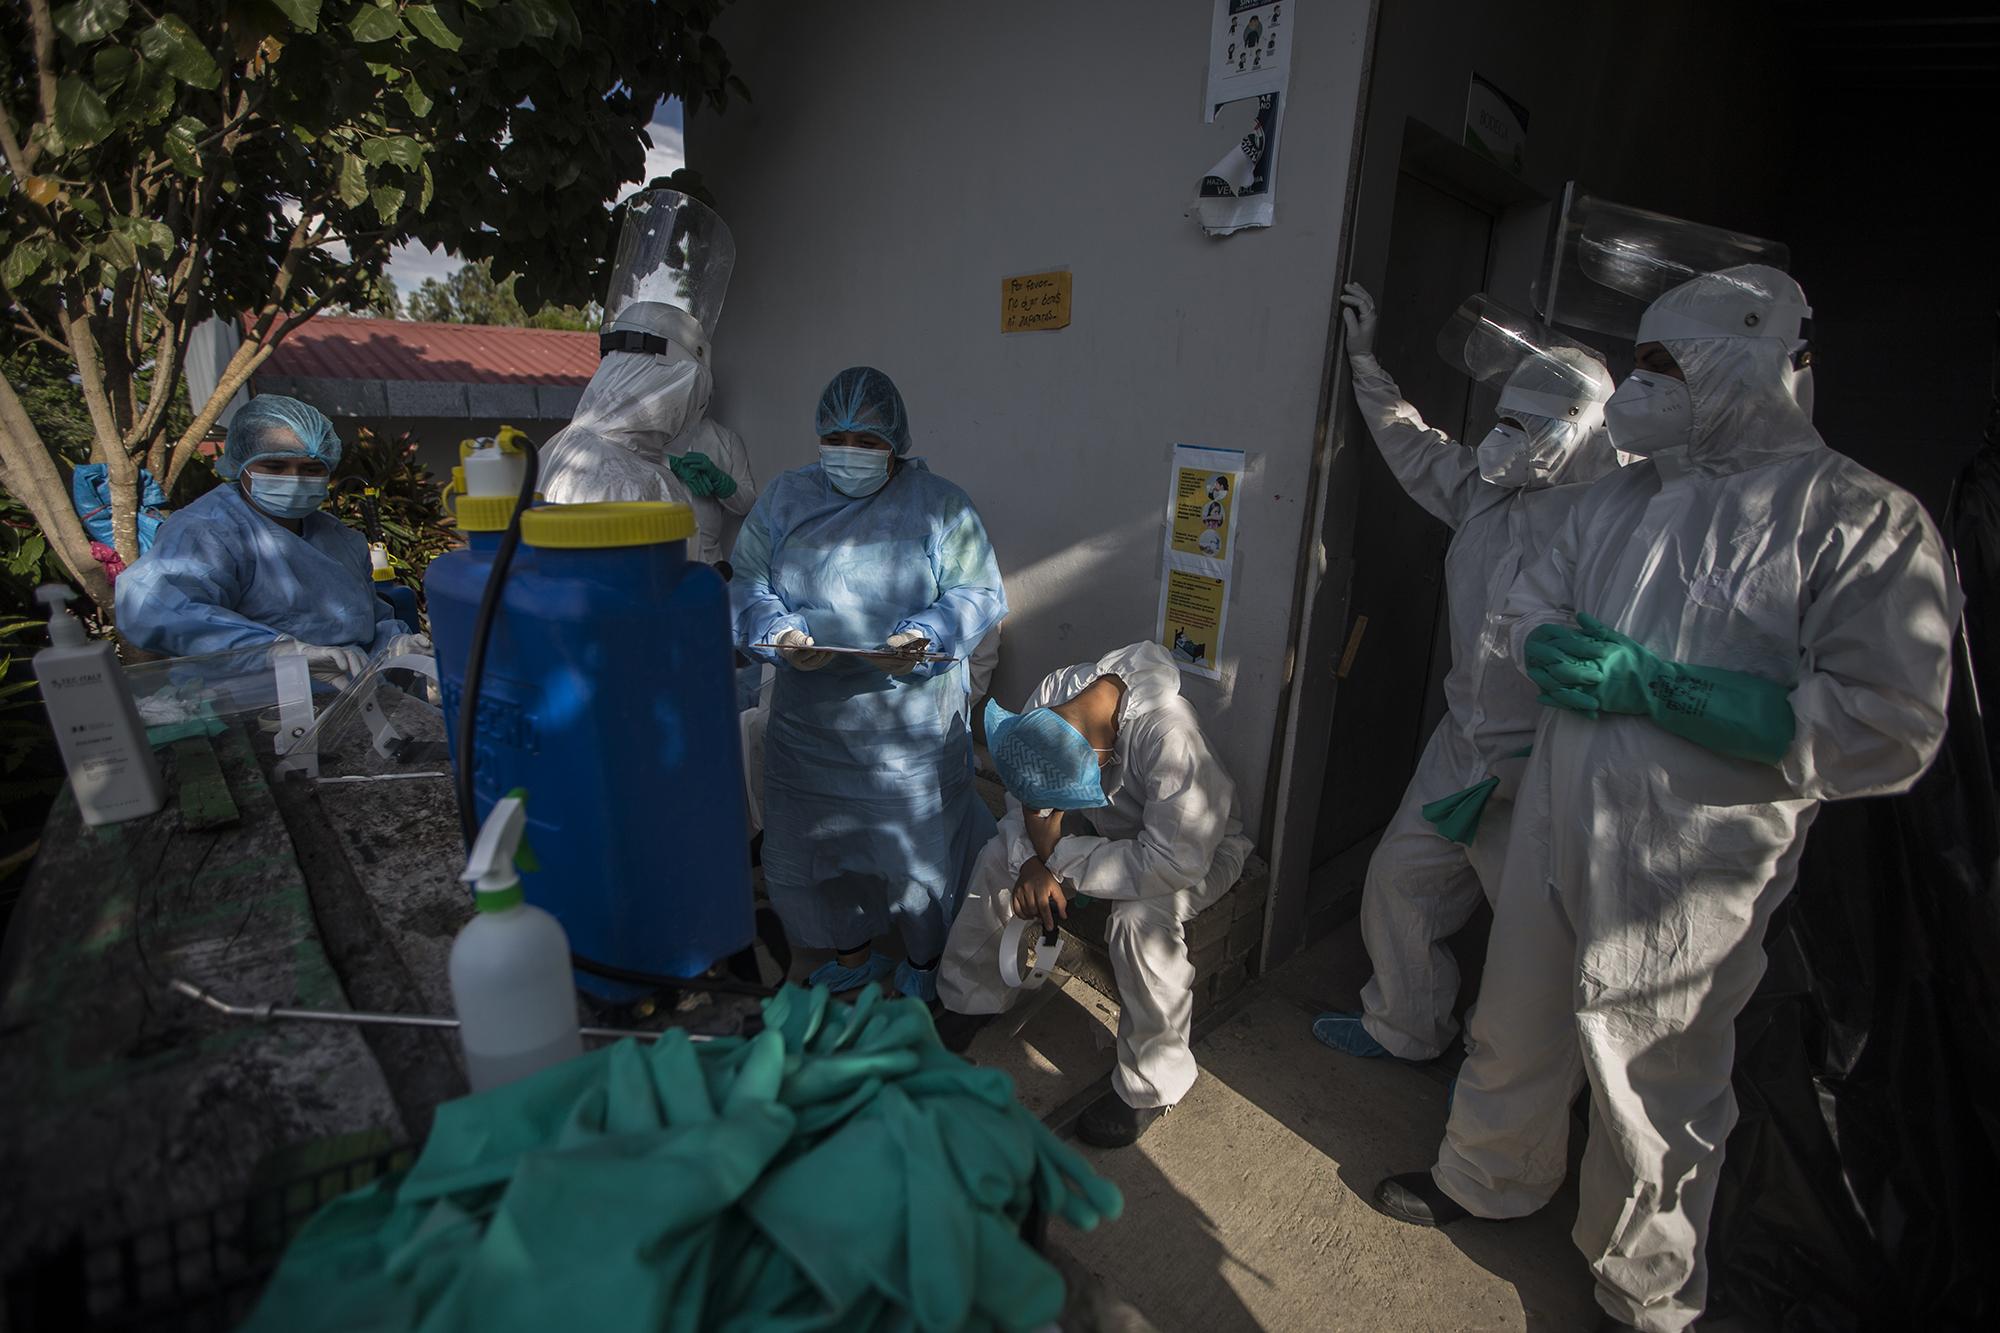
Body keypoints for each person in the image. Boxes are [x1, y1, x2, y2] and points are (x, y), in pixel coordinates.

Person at [1370, 266, 1958, 1333]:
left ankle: (1638, 1283)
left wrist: (1666, 689)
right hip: (1554, 808)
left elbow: (1891, 722)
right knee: (1517, 1014)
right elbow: (1534, 604)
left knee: (1653, 1070)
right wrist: (1546, 645)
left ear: (1740, 370)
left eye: (1657, 366)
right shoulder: (1608, 499)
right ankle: (1485, 1177)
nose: (1633, 389)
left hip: (1688, 858)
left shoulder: (1856, 521)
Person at [1311, 283, 1620, 1062]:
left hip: (1545, 763)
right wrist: (1362, 358)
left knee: (1532, 949)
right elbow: (1410, 442)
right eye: (1502, 418)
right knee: (1400, 882)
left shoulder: (1616, 522)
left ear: (1580, 432)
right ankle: (1406, 1025)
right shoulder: (1485, 493)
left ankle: (1501, 1089)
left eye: (1527, 425)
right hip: (1465, 744)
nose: (1503, 438)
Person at [733, 366, 1007, 1001]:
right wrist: (779, 634)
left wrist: (926, 635)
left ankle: (921, 960)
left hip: (905, 735)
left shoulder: (940, 506)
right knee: (816, 856)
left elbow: (979, 591)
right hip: (810, 730)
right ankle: (851, 956)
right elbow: (747, 579)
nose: (851, 453)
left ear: (897, 442)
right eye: (839, 437)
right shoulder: (784, 500)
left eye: (868, 440)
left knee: (912, 862)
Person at [937, 641, 1252, 1149]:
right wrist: (1035, 859)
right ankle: (967, 998)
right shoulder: (1059, 690)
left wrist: (1057, 864)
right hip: (1111, 840)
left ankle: (1152, 1083)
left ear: (1102, 756)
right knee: (999, 856)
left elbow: (1174, 859)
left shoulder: (1172, 737)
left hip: (1194, 853)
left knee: (1139, 921)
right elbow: (1025, 801)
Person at [117, 395, 420, 671]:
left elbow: (368, 622)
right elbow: (152, 608)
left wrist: (394, 644)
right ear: (241, 465)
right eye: (275, 466)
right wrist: (278, 652)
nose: (295, 479)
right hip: (248, 707)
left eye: (311, 469)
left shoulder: (338, 538)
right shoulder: (206, 531)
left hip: (351, 698)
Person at [538, 348, 758, 566]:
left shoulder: (725, 440)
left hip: (705, 560)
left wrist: (722, 483)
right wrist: (670, 464)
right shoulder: (633, 451)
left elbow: (746, 503)